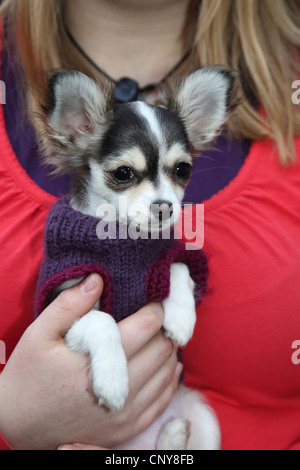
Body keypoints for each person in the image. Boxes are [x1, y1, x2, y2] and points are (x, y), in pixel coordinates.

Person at [0, 0, 299, 451]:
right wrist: (12, 416)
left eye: (179, 171)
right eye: (125, 174)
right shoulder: (74, 238)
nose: (161, 199)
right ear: (75, 129)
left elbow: (175, 266)